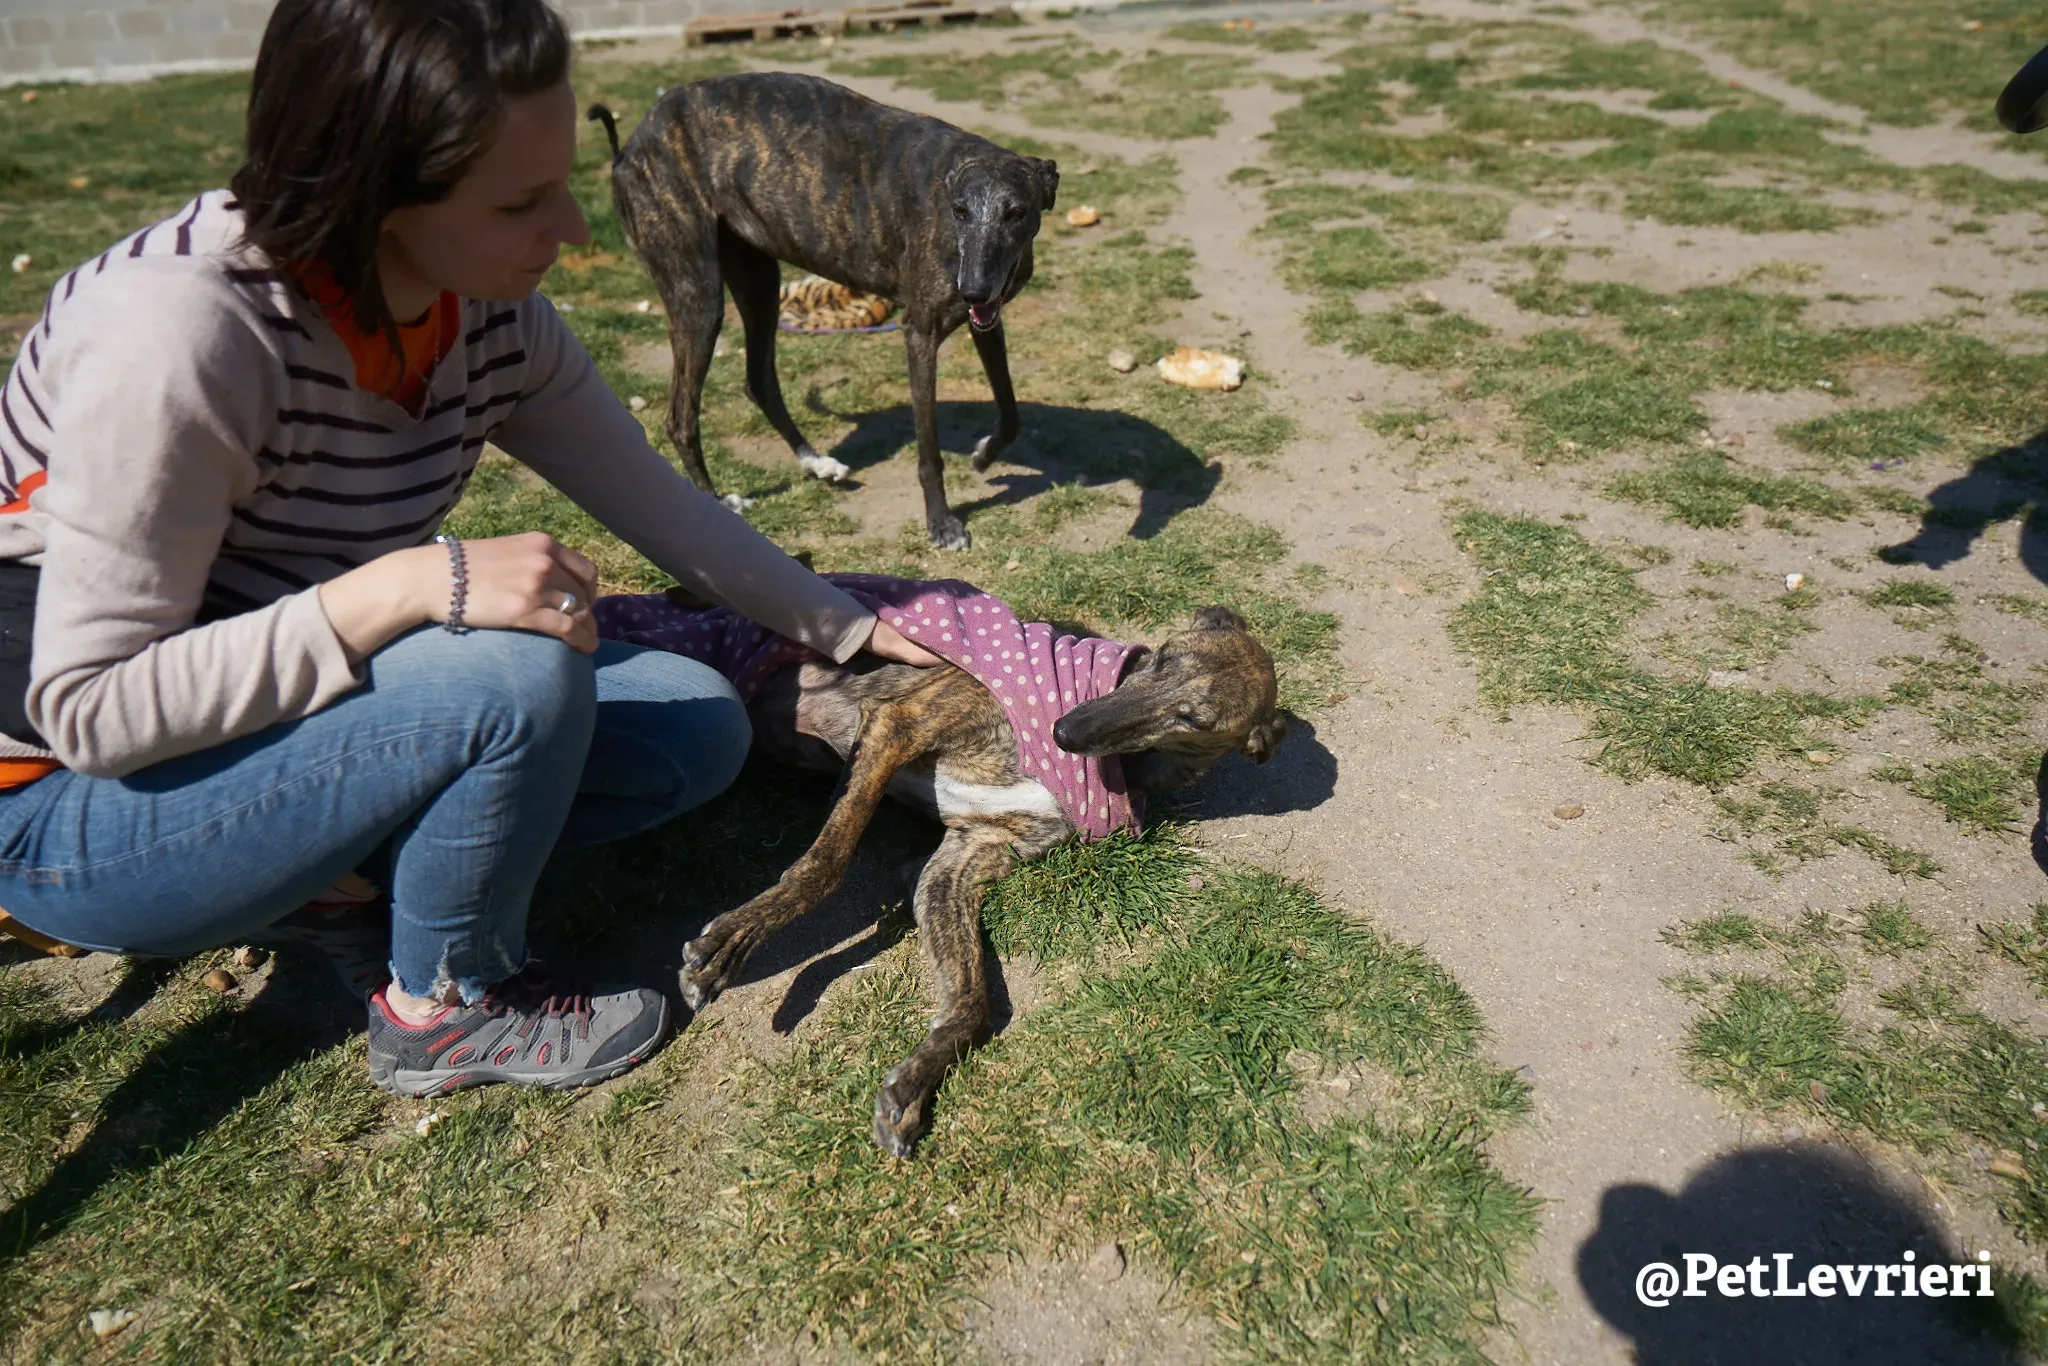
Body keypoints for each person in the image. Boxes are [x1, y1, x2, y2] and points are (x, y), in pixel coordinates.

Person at [0, 0, 938, 1098]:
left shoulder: (482, 310)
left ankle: (334, 887)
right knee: (511, 671)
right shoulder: (177, 337)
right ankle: (443, 1007)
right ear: (370, 196)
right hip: (71, 807)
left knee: (693, 730)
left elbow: (663, 508)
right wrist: (406, 586)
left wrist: (856, 625)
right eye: (523, 200)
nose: (577, 229)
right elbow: (92, 708)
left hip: (282, 722)